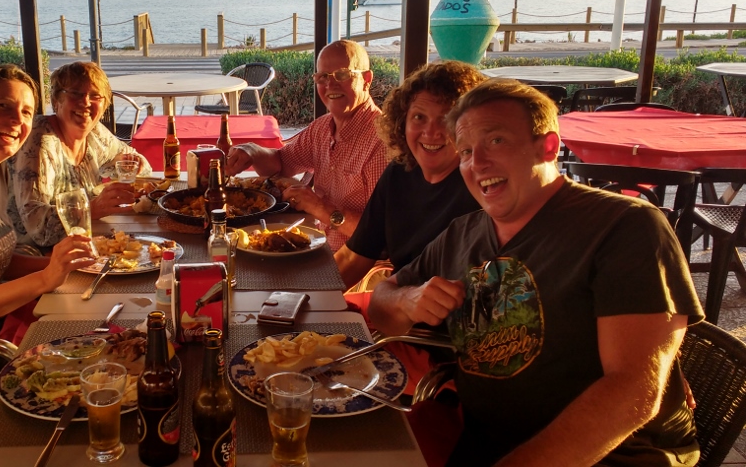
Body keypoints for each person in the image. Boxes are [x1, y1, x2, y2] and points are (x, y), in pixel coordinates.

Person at [368, 79, 703, 466]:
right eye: (465, 151)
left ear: (548, 146)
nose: (477, 164)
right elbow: (381, 301)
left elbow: (632, 392)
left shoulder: (625, 226)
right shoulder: (465, 232)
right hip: (484, 442)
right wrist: (409, 300)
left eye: (495, 141)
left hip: (612, 455)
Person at [0, 64, 96, 343]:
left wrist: (64, 265)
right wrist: (46, 277)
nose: (17, 120)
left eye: (26, 112)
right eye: (3, 106)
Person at [225, 39, 389, 250]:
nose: (331, 85)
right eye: (322, 77)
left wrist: (322, 209)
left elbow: (384, 236)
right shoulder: (321, 128)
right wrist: (252, 151)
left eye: (342, 74)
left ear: (366, 79)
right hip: (318, 248)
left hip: (356, 270)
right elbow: (281, 164)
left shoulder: (384, 141)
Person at [336, 60, 485, 290]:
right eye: (419, 117)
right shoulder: (400, 172)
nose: (431, 132)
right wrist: (293, 296)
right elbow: (354, 257)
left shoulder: (481, 187)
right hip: (396, 308)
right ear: (402, 122)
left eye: (446, 119)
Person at [10, 61, 151, 247]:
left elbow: (141, 166)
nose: (85, 102)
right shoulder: (41, 139)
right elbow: (37, 225)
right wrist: (91, 209)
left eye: (95, 96)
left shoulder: (94, 133)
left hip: (81, 242)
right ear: (55, 100)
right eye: (76, 93)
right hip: (32, 255)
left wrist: (132, 163)